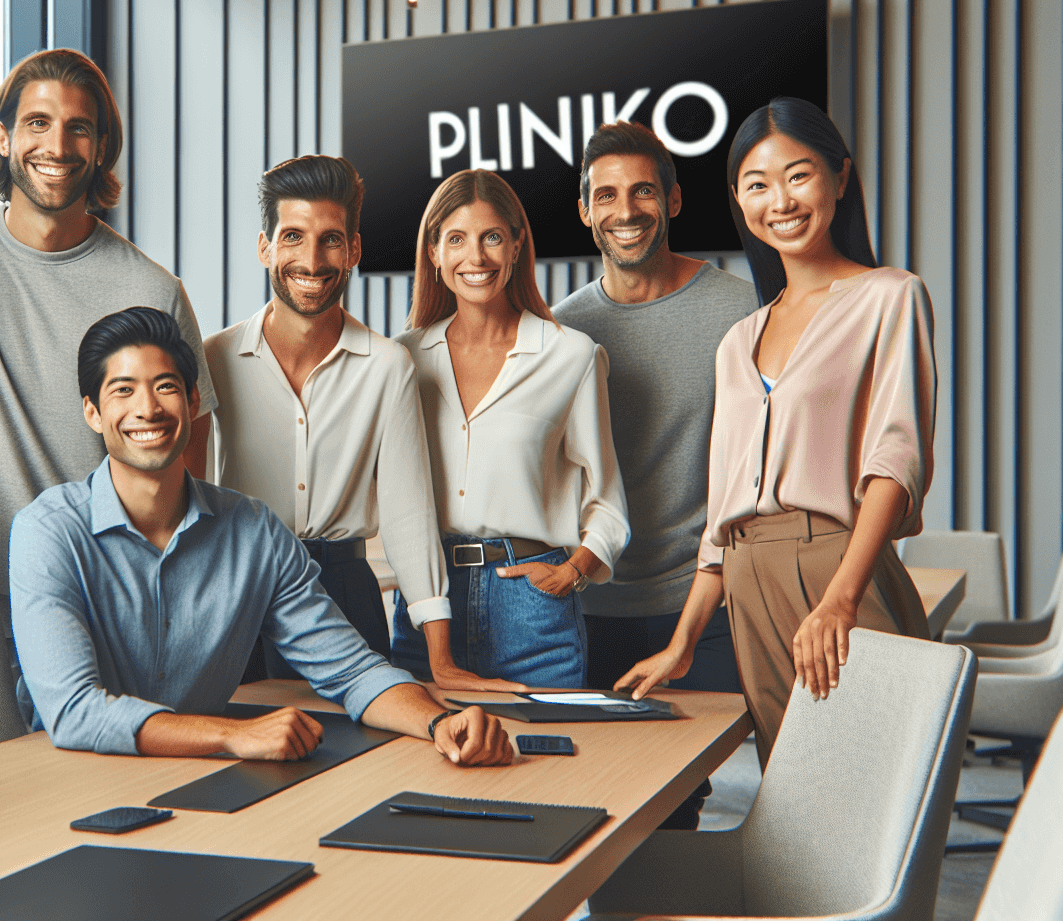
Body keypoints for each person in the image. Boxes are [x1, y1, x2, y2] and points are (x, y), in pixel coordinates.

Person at [10, 307, 513, 765]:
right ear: (93, 413)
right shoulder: (48, 532)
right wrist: (231, 734)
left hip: (201, 780)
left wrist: (441, 722)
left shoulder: (253, 533)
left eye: (165, 386)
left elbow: (352, 670)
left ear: (192, 402)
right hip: (72, 776)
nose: (147, 408)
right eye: (123, 390)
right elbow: (74, 711)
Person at [617, 97, 933, 769]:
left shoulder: (891, 297)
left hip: (838, 570)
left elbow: (895, 455)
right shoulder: (739, 340)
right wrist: (683, 642)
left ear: (840, 179)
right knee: (794, 803)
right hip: (746, 586)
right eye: (757, 185)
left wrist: (841, 598)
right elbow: (719, 514)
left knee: (871, 795)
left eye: (799, 175)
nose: (780, 201)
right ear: (738, 199)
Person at [0, 49, 215, 643]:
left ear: (99, 148)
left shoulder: (152, 288)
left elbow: (189, 446)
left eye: (78, 127)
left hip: (101, 600)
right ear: (4, 136)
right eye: (38, 123)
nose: (58, 145)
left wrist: (156, 575)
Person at [205, 156, 504, 691]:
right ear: (264, 248)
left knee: (361, 762)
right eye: (293, 236)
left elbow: (408, 513)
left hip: (344, 592)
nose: (312, 259)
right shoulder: (214, 360)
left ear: (355, 251)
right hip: (239, 589)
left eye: (331, 240)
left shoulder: (389, 365)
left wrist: (440, 659)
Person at [552, 122, 759, 830]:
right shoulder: (563, 330)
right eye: (605, 195)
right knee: (601, 801)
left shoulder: (738, 310)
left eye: (644, 190)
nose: (626, 209)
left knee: (676, 799)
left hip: (703, 605)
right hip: (590, 609)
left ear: (673, 201)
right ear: (584, 211)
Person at [390, 169, 631, 690]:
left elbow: (607, 502)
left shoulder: (570, 355)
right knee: (414, 765)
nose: (475, 258)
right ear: (433, 252)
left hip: (532, 605)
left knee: (546, 762)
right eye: (456, 239)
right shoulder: (402, 359)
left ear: (517, 245)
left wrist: (572, 572)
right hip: (428, 603)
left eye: (492, 237)